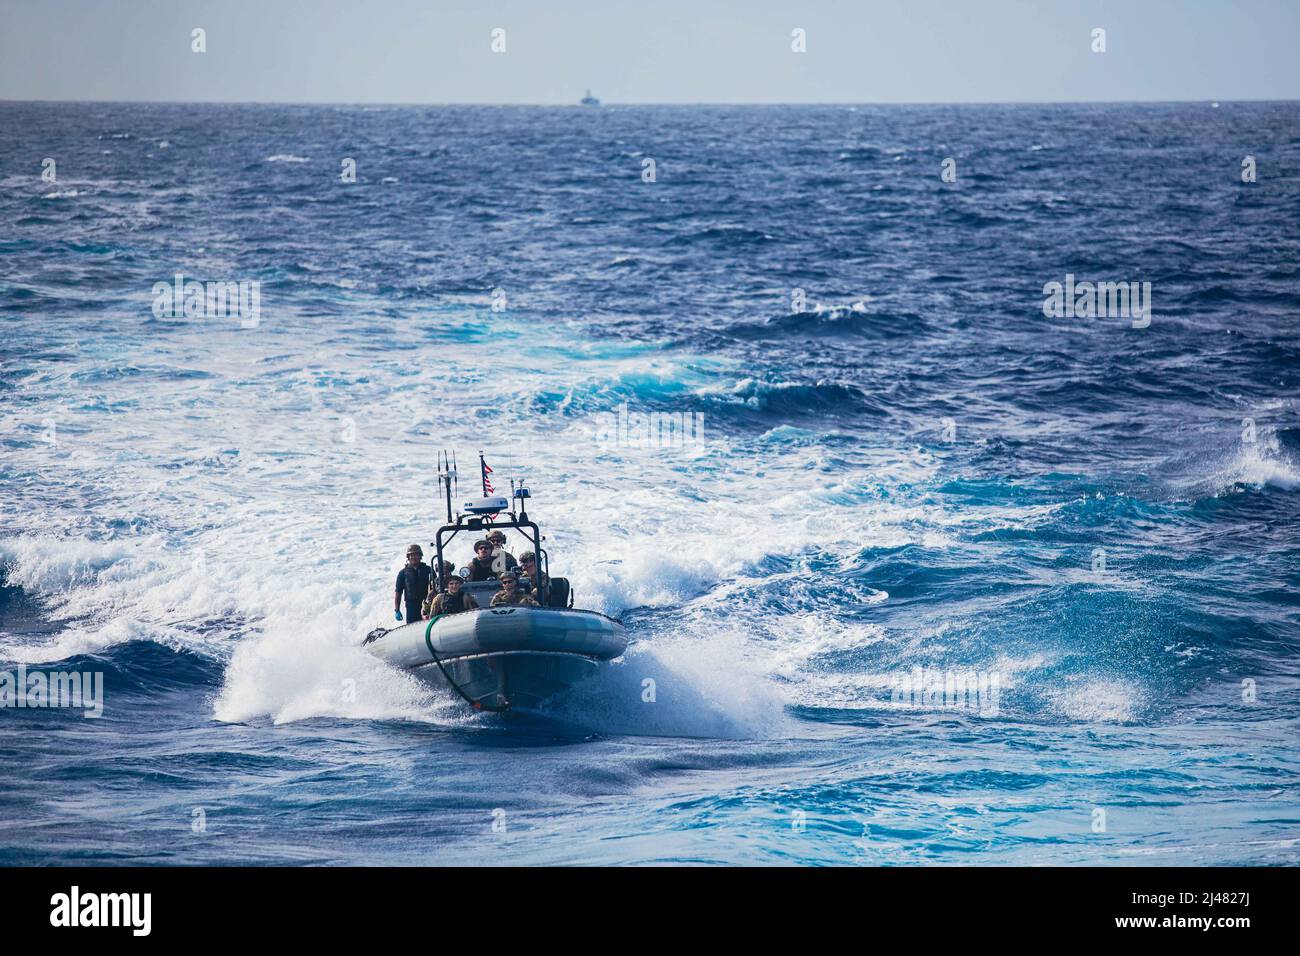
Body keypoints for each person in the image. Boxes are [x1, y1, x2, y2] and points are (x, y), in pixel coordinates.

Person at [393, 544, 431, 624]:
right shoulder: (402, 573)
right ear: (408, 557)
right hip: (411, 607)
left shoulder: (428, 570)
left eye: (416, 555)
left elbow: (436, 587)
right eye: (412, 555)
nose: (414, 557)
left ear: (420, 556)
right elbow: (398, 593)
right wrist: (397, 610)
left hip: (427, 605)